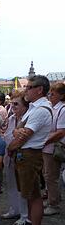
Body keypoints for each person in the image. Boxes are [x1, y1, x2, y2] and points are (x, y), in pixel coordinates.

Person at [8, 75, 52, 225]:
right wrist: (18, 132)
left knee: (34, 196)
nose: (26, 90)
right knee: (29, 194)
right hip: (26, 154)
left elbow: (22, 136)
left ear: (39, 90)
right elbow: (18, 129)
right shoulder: (35, 107)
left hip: (30, 154)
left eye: (29, 87)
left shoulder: (41, 110)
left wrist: (11, 146)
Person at [1, 92, 29, 225]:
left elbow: (21, 139)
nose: (13, 106)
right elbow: (7, 135)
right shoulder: (11, 118)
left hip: (22, 156)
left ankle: (25, 216)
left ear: (25, 106)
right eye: (12, 103)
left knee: (23, 187)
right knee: (11, 183)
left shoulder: (27, 119)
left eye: (16, 104)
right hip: (10, 156)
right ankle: (14, 209)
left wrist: (12, 146)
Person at [42, 83, 65, 216]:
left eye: (53, 94)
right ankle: (51, 197)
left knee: (51, 176)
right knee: (48, 175)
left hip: (53, 147)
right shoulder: (54, 107)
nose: (50, 96)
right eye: (50, 93)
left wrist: (44, 140)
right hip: (48, 147)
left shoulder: (62, 109)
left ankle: (54, 204)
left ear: (61, 95)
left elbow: (61, 132)